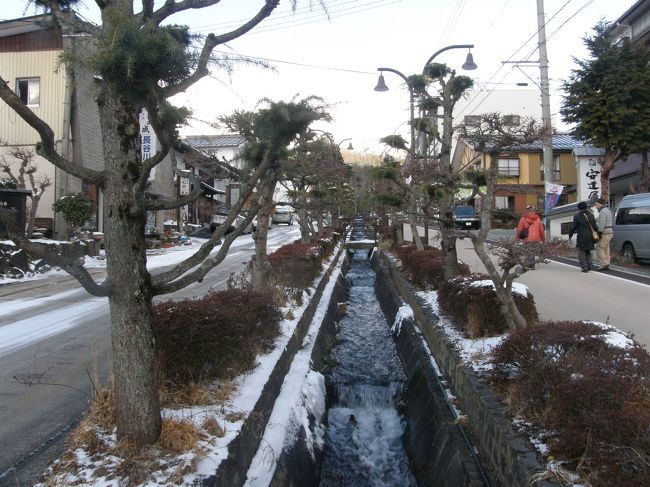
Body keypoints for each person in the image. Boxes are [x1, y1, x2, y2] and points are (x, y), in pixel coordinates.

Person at [568, 201, 598, 272]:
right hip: (590, 236)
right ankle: (590, 266)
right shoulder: (591, 215)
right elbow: (595, 227)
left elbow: (573, 227)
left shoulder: (577, 216)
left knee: (581, 251)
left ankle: (584, 267)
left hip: (582, 236)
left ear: (578, 208)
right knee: (588, 251)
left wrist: (570, 235)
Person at [593, 197, 614, 271]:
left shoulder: (603, 211)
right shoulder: (607, 210)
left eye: (596, 204)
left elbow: (602, 223)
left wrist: (599, 232)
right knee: (606, 249)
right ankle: (607, 263)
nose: (595, 206)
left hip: (605, 232)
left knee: (599, 248)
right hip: (610, 231)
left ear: (599, 204)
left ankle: (604, 263)